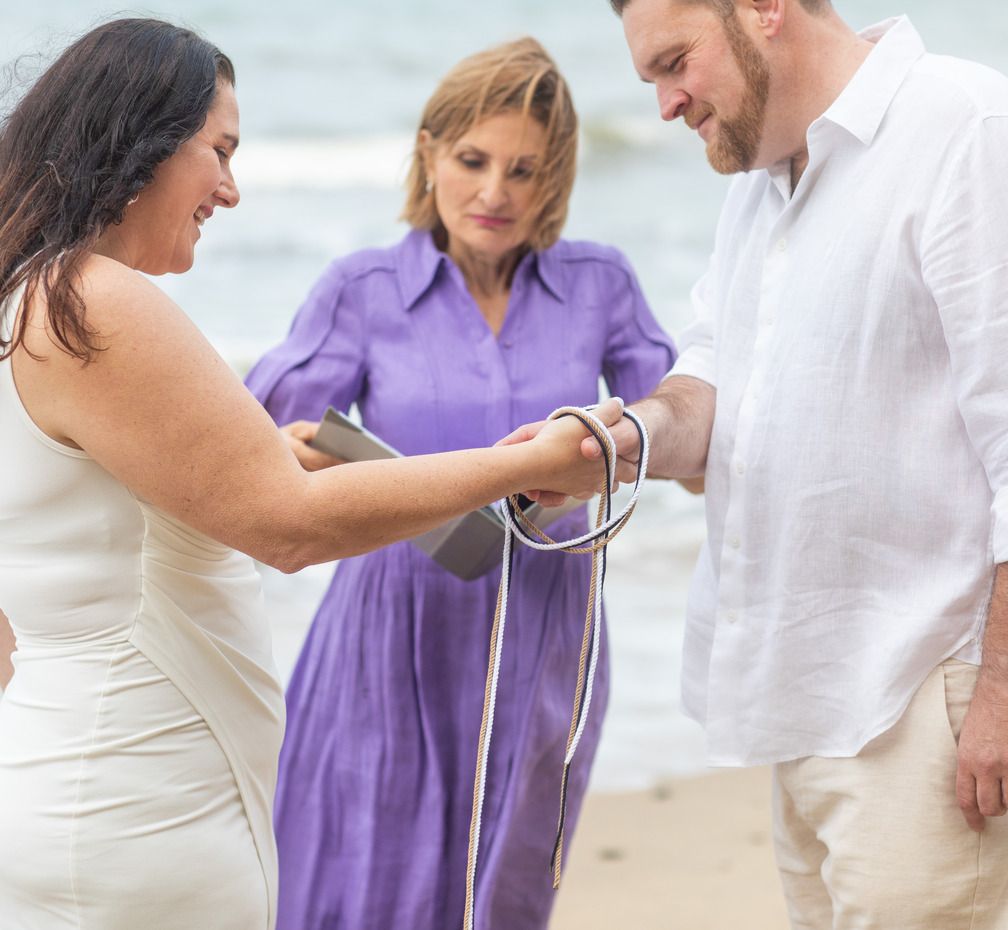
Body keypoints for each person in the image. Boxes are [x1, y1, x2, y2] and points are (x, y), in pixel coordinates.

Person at [0, 20, 618, 930]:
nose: (231, 189)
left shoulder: (25, 300)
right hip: (139, 813)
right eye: (218, 151)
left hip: (73, 792)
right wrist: (525, 463)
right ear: (140, 140)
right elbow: (292, 527)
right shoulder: (92, 302)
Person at [567, 0, 1008, 926]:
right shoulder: (757, 187)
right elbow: (711, 388)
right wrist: (617, 444)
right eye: (650, 78)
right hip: (801, 700)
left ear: (764, 9)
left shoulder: (964, 127)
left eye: (674, 62)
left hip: (930, 698)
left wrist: (1001, 697)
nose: (665, 104)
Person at [244, 36, 676, 930]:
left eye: (525, 169)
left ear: (555, 176)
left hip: (547, 627)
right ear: (429, 152)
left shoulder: (601, 284)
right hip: (390, 626)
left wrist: (611, 455)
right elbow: (252, 453)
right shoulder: (359, 289)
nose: (495, 193)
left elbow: (682, 432)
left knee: (506, 888)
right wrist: (313, 454)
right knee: (363, 884)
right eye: (473, 160)